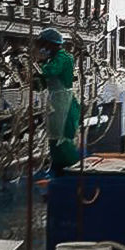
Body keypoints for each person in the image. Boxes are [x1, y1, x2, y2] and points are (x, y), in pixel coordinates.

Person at [35, 27, 81, 173]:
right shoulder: (54, 58)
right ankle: (57, 166)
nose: (42, 48)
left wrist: (38, 64)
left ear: (51, 44)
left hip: (64, 102)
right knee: (54, 135)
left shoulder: (63, 57)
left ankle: (70, 170)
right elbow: (43, 82)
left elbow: (50, 71)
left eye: (44, 45)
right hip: (56, 100)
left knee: (62, 137)